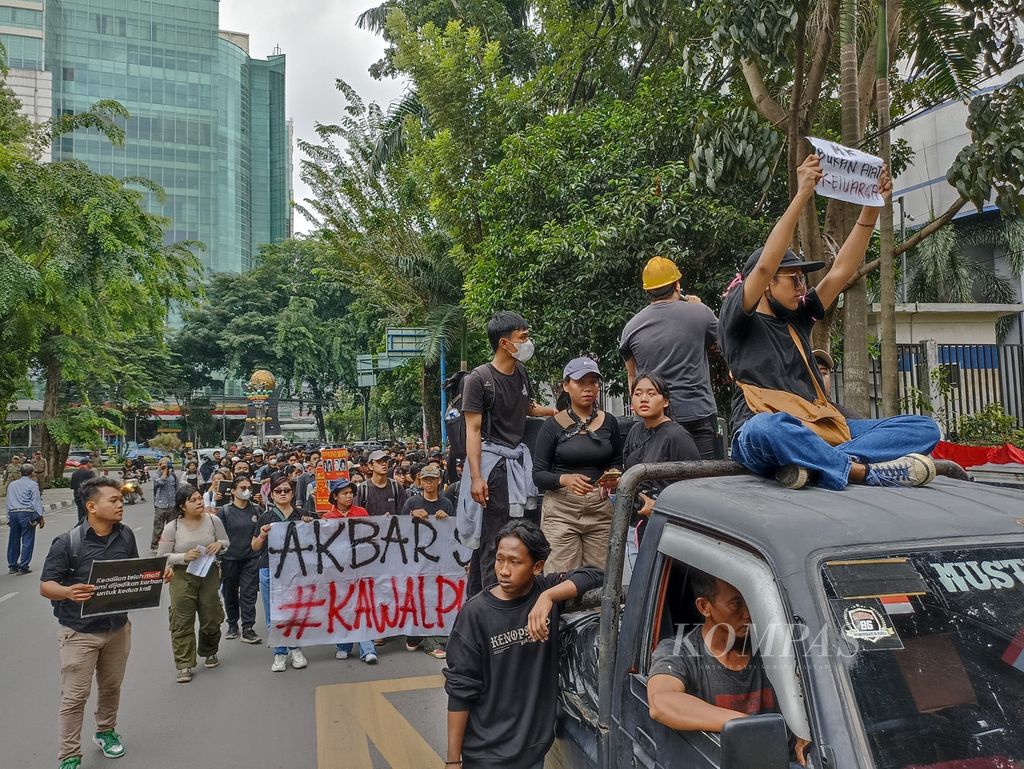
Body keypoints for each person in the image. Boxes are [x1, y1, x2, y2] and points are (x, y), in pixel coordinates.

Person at [718, 154, 940, 490]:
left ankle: (814, 463)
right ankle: (861, 471)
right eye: (792, 279)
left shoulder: (798, 315)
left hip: (817, 428)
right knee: (769, 428)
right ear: (765, 284)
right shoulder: (738, 316)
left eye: (802, 280)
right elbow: (764, 265)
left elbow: (841, 270)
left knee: (923, 427)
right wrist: (802, 193)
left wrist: (872, 207)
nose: (801, 287)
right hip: (760, 433)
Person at [443, 520, 603, 769]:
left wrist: (548, 596)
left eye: (515, 562)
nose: (504, 570)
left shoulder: (546, 590)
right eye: (500, 559)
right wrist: (453, 761)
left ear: (537, 566)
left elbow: (595, 575)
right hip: (487, 754)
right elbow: (460, 691)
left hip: (532, 751)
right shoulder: (475, 614)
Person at [647, 571, 809, 767]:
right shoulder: (679, 651)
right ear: (704, 606)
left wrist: (806, 731)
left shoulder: (775, 645)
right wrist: (748, 725)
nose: (748, 613)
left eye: (750, 600)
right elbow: (662, 702)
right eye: (736, 604)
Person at [39, 476, 137, 769]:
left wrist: (157, 578)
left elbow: (133, 573)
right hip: (79, 632)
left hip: (118, 628)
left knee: (111, 687)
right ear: (92, 506)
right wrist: (68, 591)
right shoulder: (67, 542)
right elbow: (46, 586)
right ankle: (69, 755)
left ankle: (105, 732)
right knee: (75, 697)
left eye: (121, 500)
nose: (121, 504)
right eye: (114, 500)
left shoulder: (126, 535)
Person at [458, 312, 556, 597]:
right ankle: (492, 612)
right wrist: (476, 477)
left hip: (517, 465)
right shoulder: (479, 379)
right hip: (493, 469)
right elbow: (472, 430)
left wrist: (555, 412)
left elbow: (528, 408)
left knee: (512, 537)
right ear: (504, 342)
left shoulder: (521, 373)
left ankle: (476, 607)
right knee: (495, 544)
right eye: (522, 338)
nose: (528, 343)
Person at [619, 257, 721, 459]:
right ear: (677, 284)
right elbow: (728, 344)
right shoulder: (700, 312)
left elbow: (632, 378)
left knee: (658, 483)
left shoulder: (632, 327)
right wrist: (699, 307)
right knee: (705, 482)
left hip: (653, 420)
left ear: (648, 291)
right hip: (697, 413)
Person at [532, 357, 622, 572]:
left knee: (602, 577)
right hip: (562, 511)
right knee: (559, 577)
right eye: (580, 382)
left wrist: (613, 476)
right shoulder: (552, 426)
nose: (588, 388)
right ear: (566, 386)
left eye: (593, 382)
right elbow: (538, 475)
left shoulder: (609, 422)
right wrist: (564, 479)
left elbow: (618, 462)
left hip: (600, 509)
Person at [157, 484, 229, 683]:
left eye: (199, 499)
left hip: (209, 573)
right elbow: (162, 556)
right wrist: (183, 556)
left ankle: (209, 651)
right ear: (182, 506)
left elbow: (225, 541)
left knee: (211, 615)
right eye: (193, 500)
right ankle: (184, 663)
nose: (199, 503)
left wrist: (219, 545)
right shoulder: (173, 527)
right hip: (182, 576)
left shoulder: (213, 521)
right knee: (182, 619)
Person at [622, 373, 700, 540]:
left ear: (665, 401)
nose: (644, 399)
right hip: (637, 519)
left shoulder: (677, 436)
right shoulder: (635, 431)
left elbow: (695, 486)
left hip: (669, 523)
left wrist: (659, 507)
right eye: (638, 394)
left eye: (651, 394)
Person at [251, 474, 315, 672]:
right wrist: (262, 535)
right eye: (278, 491)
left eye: (286, 490)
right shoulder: (265, 517)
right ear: (272, 494)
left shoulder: (302, 515)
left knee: (294, 612)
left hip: (296, 572)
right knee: (274, 615)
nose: (283, 494)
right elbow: (253, 546)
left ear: (292, 492)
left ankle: (295, 648)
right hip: (269, 570)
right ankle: (279, 653)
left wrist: (310, 524)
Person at [400, 463, 454, 658]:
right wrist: (411, 515)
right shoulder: (412, 502)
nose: (428, 483)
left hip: (439, 560)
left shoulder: (446, 503)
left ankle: (432, 639)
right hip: (416, 559)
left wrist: (447, 518)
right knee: (417, 597)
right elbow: (399, 529)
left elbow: (452, 533)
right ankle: (416, 634)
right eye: (425, 480)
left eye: (432, 479)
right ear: (420, 482)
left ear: (439, 481)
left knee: (436, 598)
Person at [217, 475, 262, 644]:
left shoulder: (257, 510)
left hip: (251, 558)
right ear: (233, 491)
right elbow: (218, 536)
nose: (246, 491)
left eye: (248, 487)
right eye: (242, 488)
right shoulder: (225, 512)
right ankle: (232, 623)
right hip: (229, 558)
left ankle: (248, 627)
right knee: (230, 592)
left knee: (249, 593)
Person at [7, 463, 45, 574]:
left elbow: (8, 501)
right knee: (27, 539)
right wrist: (40, 516)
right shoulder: (33, 484)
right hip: (26, 513)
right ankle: (23, 566)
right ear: (32, 472)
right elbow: (36, 501)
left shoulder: (12, 484)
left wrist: (9, 516)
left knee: (13, 540)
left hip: (13, 513)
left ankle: (12, 565)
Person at [812, 348, 864, 421]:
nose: (819, 379)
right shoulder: (792, 414)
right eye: (812, 373)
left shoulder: (846, 417)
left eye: (823, 373)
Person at [356, 450, 408, 516]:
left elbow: (403, 514)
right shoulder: (363, 489)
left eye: (385, 461)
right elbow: (358, 516)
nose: (383, 464)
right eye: (379, 461)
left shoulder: (396, 487)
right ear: (370, 466)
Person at [150, 456, 178, 552]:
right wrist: (164, 472)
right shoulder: (156, 475)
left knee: (172, 528)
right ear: (159, 465)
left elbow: (177, 489)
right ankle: (155, 545)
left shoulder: (173, 476)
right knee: (158, 528)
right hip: (160, 505)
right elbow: (160, 482)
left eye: (167, 464)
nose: (165, 466)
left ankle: (171, 545)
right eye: (163, 464)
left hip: (172, 505)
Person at [69, 456, 95, 524]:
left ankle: (80, 526)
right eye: (90, 463)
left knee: (80, 513)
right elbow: (94, 485)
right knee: (89, 514)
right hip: (87, 496)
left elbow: (72, 486)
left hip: (77, 496)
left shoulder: (75, 473)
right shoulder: (89, 473)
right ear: (87, 463)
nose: (91, 465)